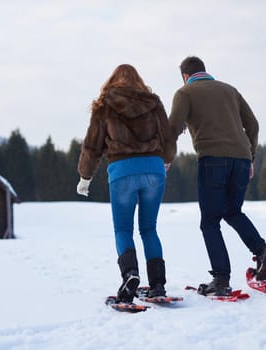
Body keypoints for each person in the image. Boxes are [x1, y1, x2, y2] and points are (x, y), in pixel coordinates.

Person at [168, 56, 266, 296]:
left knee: (209, 221)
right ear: (204, 71)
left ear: (185, 76)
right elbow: (253, 125)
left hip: (212, 159)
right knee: (232, 211)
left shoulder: (185, 93)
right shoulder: (230, 90)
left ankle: (221, 278)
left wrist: (165, 156)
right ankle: (262, 251)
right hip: (241, 159)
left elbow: (172, 127)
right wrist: (251, 157)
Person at [76, 64, 176, 303]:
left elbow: (93, 145)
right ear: (139, 81)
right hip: (153, 170)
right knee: (149, 229)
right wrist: (166, 161)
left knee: (123, 230)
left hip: (122, 172)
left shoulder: (104, 105)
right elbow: (168, 140)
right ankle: (158, 285)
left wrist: (85, 177)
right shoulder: (153, 103)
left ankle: (130, 274)